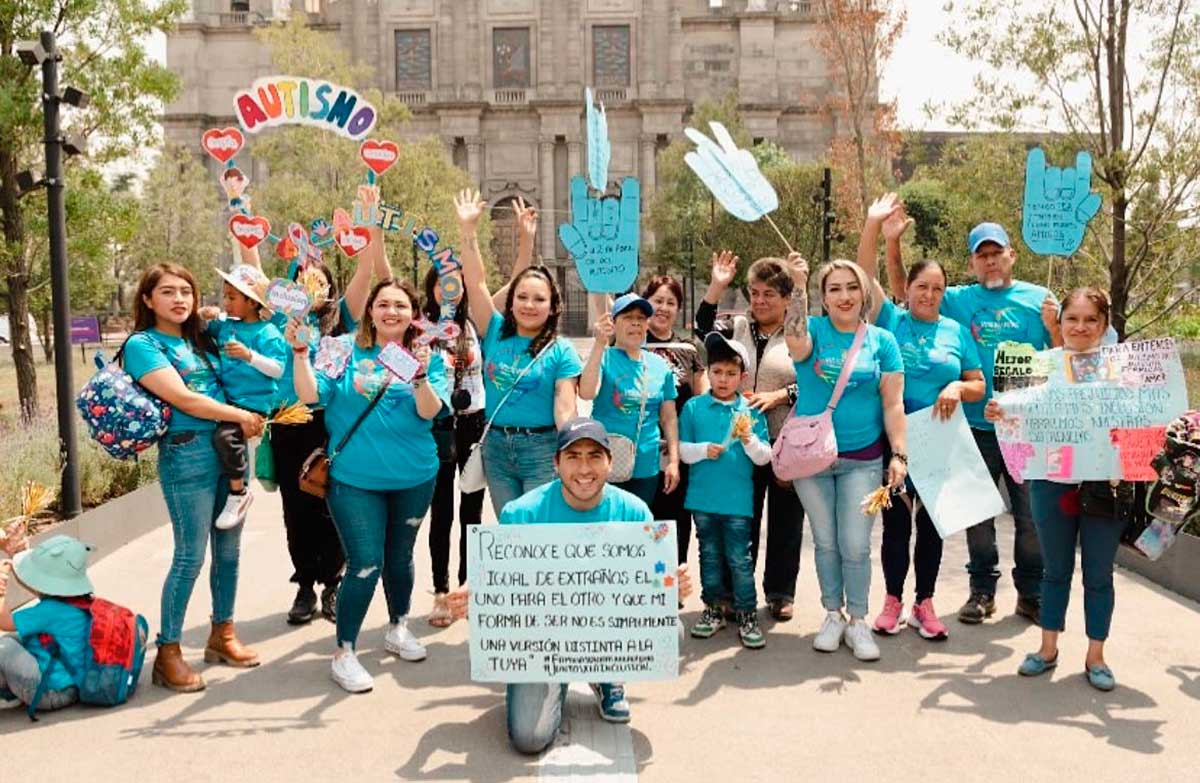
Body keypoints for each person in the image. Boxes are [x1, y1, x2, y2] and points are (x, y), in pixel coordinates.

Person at [447, 418, 693, 753]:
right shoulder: (522, 514)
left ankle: (604, 674)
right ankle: (551, 680)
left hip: (604, 631)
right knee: (529, 739)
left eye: (594, 456)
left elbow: (651, 588)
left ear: (610, 462)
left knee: (670, 631)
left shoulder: (634, 513)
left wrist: (670, 590)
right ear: (556, 463)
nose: (584, 468)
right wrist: (473, 597)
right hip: (540, 641)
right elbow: (493, 587)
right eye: (573, 456)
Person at [876, 214, 1060, 625]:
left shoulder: (1040, 298)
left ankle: (1031, 591)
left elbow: (1064, 355)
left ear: (1011, 256)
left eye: (997, 254)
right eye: (983, 256)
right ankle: (982, 590)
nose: (991, 262)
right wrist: (892, 243)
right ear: (973, 263)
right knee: (977, 515)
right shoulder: (957, 299)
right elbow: (906, 286)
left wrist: (1055, 327)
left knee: (1031, 516)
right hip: (971, 427)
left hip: (1023, 428)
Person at [289, 278, 448, 694]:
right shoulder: (340, 348)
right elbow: (309, 396)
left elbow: (430, 412)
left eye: (400, 304)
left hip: (415, 476)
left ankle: (398, 627)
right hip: (355, 481)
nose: (391, 311)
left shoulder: (426, 355)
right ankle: (344, 652)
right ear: (370, 310)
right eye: (383, 303)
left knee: (400, 557)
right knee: (364, 562)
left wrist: (418, 375)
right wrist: (301, 353)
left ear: (413, 312)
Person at [236, 187, 381, 626]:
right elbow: (250, 266)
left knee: (333, 505)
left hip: (332, 423)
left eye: (316, 278)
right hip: (289, 424)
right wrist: (240, 205)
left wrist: (370, 221)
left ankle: (333, 584)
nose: (308, 283)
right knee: (296, 511)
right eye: (300, 277)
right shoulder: (280, 319)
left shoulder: (343, 320)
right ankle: (303, 585)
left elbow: (366, 269)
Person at [124, 263, 265, 692]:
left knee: (229, 552)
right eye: (167, 292)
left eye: (186, 291)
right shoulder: (142, 344)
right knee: (190, 555)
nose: (179, 299)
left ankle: (222, 635)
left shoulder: (199, 338)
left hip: (230, 450)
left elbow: (257, 307)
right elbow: (184, 398)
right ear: (148, 300)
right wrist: (241, 415)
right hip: (188, 455)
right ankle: (168, 654)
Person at [857, 195, 985, 640]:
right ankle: (892, 601)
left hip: (940, 440)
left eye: (936, 289)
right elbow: (862, 275)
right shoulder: (891, 320)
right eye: (921, 287)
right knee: (895, 524)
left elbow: (978, 384)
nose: (928, 295)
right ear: (906, 290)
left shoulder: (955, 332)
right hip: (894, 440)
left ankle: (924, 604)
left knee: (932, 527)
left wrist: (956, 387)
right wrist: (878, 230)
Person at [986, 288, 1127, 691]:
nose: (1080, 327)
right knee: (1055, 569)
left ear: (1103, 325)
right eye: (1072, 319)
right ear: (1059, 323)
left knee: (1099, 574)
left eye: (1090, 320)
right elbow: (1015, 415)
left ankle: (1096, 656)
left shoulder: (1122, 371)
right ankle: (1047, 648)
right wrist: (1000, 412)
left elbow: (1143, 417)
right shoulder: (1039, 365)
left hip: (1105, 484)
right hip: (1050, 481)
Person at [785, 255, 907, 662]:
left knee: (854, 544)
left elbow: (893, 405)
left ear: (865, 293)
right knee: (825, 541)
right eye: (834, 289)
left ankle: (858, 621)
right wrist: (798, 287)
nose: (844, 296)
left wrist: (899, 454)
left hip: (864, 460)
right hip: (812, 459)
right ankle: (832, 614)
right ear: (823, 297)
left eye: (852, 287)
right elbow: (794, 341)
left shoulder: (882, 342)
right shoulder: (814, 331)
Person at [455, 189, 583, 515]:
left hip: (542, 448)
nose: (529, 305)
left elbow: (565, 409)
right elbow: (476, 282)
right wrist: (467, 231)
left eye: (539, 299)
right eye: (522, 297)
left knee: (539, 532)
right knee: (511, 533)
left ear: (553, 305)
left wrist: (573, 451)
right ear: (511, 301)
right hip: (496, 447)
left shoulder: (562, 351)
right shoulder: (495, 330)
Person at [696, 251, 806, 621]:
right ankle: (730, 592)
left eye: (768, 294)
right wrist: (717, 285)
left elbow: (818, 381)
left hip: (786, 441)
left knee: (786, 520)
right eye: (755, 293)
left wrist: (780, 396)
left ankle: (780, 592)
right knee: (741, 519)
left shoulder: (799, 333)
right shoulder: (739, 327)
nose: (759, 301)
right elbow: (702, 329)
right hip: (743, 443)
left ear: (787, 298)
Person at [679, 333, 772, 648]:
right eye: (717, 372)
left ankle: (746, 613)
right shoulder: (693, 407)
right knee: (709, 555)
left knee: (739, 559)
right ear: (707, 372)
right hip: (703, 500)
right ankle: (713, 608)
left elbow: (764, 457)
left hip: (737, 502)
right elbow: (680, 450)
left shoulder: (751, 410)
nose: (723, 379)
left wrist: (748, 440)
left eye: (731, 373)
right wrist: (704, 449)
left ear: (742, 376)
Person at [200, 264, 288, 530]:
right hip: (226, 399)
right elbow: (200, 328)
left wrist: (249, 356)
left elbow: (278, 369)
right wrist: (204, 314)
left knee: (226, 437)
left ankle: (239, 493)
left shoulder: (268, 333)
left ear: (252, 303)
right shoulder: (226, 327)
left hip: (253, 403)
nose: (225, 302)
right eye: (224, 296)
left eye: (232, 298)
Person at [423, 266, 486, 628]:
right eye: (442, 285)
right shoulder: (420, 330)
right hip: (439, 425)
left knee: (472, 513)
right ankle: (441, 592)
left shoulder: (474, 324)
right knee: (441, 512)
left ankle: (467, 587)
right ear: (432, 288)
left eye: (456, 286)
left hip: (474, 424)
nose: (449, 291)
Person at [579, 293, 680, 505]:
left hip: (646, 466)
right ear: (614, 323)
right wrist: (599, 344)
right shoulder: (604, 357)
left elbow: (669, 418)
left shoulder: (659, 365)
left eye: (641, 318)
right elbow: (586, 392)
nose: (635, 323)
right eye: (627, 317)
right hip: (606, 460)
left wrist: (673, 461)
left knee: (637, 526)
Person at [643, 275, 708, 566]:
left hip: (676, 448)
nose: (664, 308)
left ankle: (671, 583)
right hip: (640, 449)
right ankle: (642, 583)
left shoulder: (689, 350)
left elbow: (699, 399)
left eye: (671, 302)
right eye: (658, 300)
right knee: (643, 515)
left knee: (676, 517)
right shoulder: (630, 344)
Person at [0, 536, 93, 713]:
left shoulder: (49, 611)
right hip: (72, 683)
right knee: (15, 639)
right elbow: (36, 587)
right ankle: (11, 689)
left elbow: (3, 621)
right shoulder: (76, 600)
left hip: (52, 692)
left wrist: (1, 584)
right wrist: (16, 562)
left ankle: (12, 691)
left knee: (3, 648)